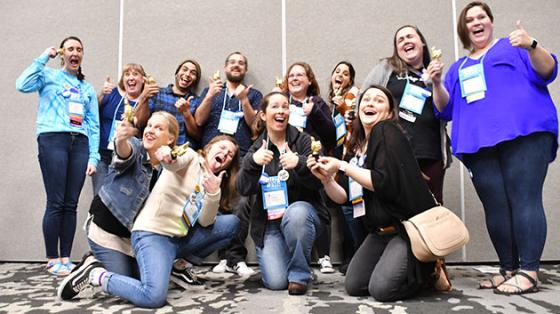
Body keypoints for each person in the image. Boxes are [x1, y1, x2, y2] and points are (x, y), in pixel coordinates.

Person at [433, 1, 558, 295]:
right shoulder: (458, 67)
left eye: (481, 17)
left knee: (524, 198)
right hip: (478, 145)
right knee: (496, 207)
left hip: (524, 134)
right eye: (470, 19)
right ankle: (508, 268)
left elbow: (548, 69)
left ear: (490, 22)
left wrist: (532, 44)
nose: (476, 22)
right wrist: (437, 82)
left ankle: (529, 271)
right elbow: (444, 109)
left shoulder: (514, 47)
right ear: (464, 29)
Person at [58, 135, 241, 308]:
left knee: (231, 223)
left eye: (230, 154)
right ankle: (96, 274)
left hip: (177, 238)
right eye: (223, 147)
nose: (225, 154)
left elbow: (206, 221)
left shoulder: (214, 182)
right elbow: (174, 162)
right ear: (209, 147)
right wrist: (169, 156)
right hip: (153, 235)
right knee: (152, 296)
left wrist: (213, 193)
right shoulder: (191, 156)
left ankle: (177, 266)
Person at [308, 85, 443, 301]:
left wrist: (342, 167)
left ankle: (429, 271)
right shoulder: (356, 147)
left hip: (405, 230)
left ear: (389, 113)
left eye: (379, 100)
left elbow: (383, 182)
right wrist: (326, 179)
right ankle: (401, 266)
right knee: (354, 285)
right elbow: (343, 197)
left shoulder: (387, 131)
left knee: (382, 290)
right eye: (366, 99)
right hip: (379, 233)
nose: (370, 103)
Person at [16, 36, 100, 276]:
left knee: (71, 204)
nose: (75, 53)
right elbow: (22, 84)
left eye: (80, 49)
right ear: (63, 53)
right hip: (53, 139)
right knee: (56, 201)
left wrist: (93, 157)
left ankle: (66, 256)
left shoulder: (87, 88)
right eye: (71, 49)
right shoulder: (48, 76)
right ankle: (52, 258)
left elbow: (94, 126)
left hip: (80, 143)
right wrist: (43, 57)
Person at [236, 92, 329, 295]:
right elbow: (242, 189)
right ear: (263, 115)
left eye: (285, 107)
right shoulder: (257, 148)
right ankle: (298, 263)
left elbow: (319, 181)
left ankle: (298, 274)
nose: (281, 111)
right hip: (270, 224)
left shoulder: (304, 141)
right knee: (276, 282)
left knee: (296, 214)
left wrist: (300, 163)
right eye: (275, 107)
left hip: (303, 216)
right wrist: (252, 162)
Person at [361, 25, 451, 204]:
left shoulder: (433, 73)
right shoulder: (387, 68)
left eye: (410, 36)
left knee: (431, 209)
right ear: (397, 49)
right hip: (395, 153)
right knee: (397, 207)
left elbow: (445, 111)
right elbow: (363, 99)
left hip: (430, 153)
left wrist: (437, 82)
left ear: (422, 43)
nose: (405, 41)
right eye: (400, 40)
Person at [84, 111, 178, 279]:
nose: (150, 130)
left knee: (144, 280)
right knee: (123, 282)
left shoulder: (169, 168)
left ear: (170, 139)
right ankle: (92, 267)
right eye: (149, 125)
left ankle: (99, 262)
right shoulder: (135, 146)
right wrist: (121, 139)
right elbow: (124, 153)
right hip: (105, 233)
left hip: (133, 240)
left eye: (158, 128)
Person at [193, 52, 263, 276]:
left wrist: (244, 100)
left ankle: (234, 258)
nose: (236, 65)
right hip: (210, 156)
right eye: (232, 62)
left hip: (238, 158)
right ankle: (214, 255)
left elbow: (255, 128)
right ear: (225, 67)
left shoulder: (254, 94)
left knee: (241, 205)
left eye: (241, 63)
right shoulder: (212, 90)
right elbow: (198, 120)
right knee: (210, 204)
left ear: (245, 69)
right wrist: (209, 95)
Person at [325, 61, 362, 274]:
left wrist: (342, 106)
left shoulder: (353, 95)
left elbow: (353, 119)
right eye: (337, 71)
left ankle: (357, 256)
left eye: (346, 73)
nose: (340, 75)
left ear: (350, 80)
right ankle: (350, 257)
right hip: (338, 159)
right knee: (344, 207)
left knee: (352, 207)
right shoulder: (333, 102)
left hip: (350, 158)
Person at [92, 63, 146, 195]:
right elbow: (91, 113)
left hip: (127, 158)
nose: (131, 77)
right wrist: (101, 95)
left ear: (143, 79)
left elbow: (143, 128)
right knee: (99, 195)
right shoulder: (112, 93)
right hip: (103, 154)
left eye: (135, 74)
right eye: (127, 74)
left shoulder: (145, 102)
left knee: (119, 198)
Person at [135, 58, 202, 149]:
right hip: (154, 148)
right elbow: (140, 123)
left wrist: (186, 113)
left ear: (196, 80)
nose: (187, 74)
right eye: (184, 69)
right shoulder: (157, 93)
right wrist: (144, 97)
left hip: (181, 152)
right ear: (176, 73)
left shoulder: (195, 101)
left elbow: (197, 135)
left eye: (193, 73)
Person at [280, 62, 336, 153]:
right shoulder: (279, 101)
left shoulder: (318, 103)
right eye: (291, 76)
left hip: (310, 158)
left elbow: (331, 137)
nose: (295, 78)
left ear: (309, 80)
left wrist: (315, 112)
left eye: (299, 75)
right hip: (282, 155)